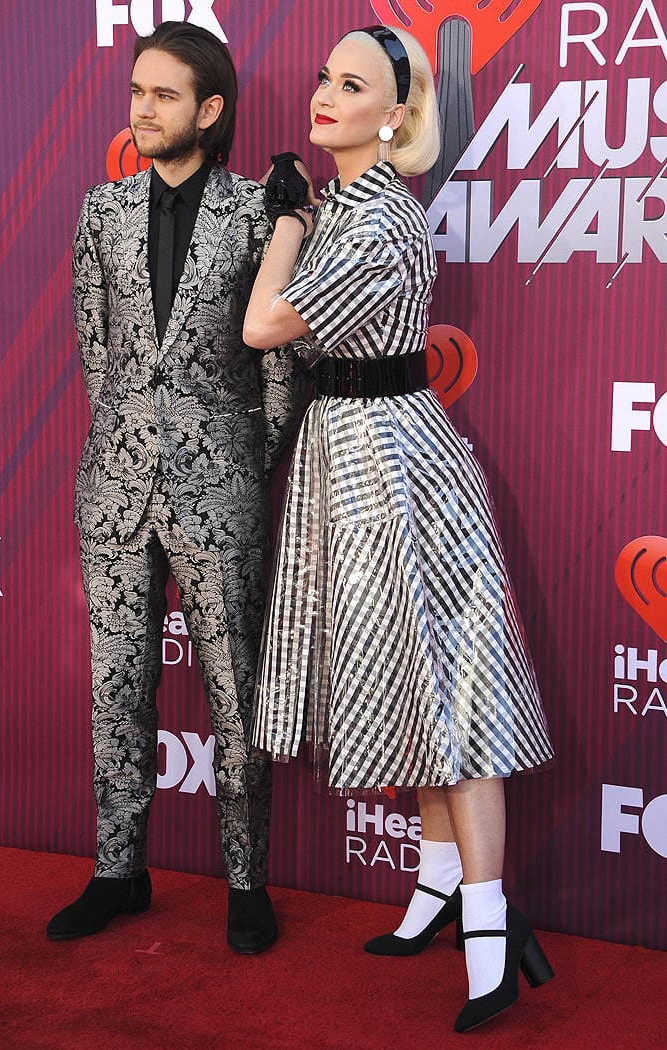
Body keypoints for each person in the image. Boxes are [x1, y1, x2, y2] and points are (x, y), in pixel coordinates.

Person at [243, 25, 555, 1029]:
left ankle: (489, 929)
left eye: (353, 84)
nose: (326, 94)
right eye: (324, 77)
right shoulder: (349, 207)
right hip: (348, 451)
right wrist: (306, 210)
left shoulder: (372, 221)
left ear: (396, 114)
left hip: (393, 463)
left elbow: (264, 327)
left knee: (450, 696)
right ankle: (432, 893)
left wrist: (283, 221)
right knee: (410, 685)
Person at [47, 21, 309, 955]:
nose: (141, 111)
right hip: (113, 488)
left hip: (222, 487)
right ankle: (119, 872)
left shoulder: (260, 214)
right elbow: (97, 352)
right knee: (117, 690)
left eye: (162, 96)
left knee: (233, 691)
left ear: (211, 109)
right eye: (136, 92)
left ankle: (247, 880)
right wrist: (127, 441)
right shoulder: (100, 211)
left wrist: (240, 461)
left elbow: (282, 373)